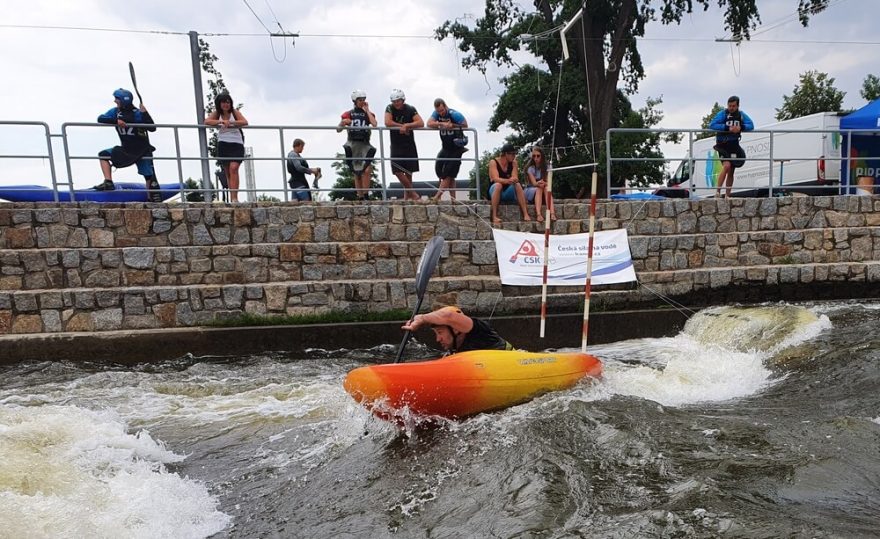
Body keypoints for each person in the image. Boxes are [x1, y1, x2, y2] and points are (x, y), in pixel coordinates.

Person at [94, 88, 161, 202]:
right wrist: (116, 121)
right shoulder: (115, 112)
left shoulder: (138, 114)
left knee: (148, 175)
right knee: (103, 155)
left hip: (141, 149)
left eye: (117, 99)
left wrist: (145, 114)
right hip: (126, 149)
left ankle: (151, 198)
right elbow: (100, 118)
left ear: (124, 100)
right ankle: (108, 182)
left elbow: (152, 128)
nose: (115, 101)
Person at [401, 306, 514, 354]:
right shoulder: (454, 348)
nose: (437, 339)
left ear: (455, 329)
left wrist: (422, 318)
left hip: (514, 363)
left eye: (440, 332)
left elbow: (449, 316)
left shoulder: (480, 330)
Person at [205, 92, 249, 202]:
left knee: (234, 168)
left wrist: (231, 123)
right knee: (228, 171)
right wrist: (221, 121)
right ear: (219, 104)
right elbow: (207, 121)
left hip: (236, 143)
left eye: (228, 102)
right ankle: (231, 196)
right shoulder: (217, 113)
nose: (226, 104)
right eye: (223, 102)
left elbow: (244, 122)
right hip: (223, 143)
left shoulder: (234, 112)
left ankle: (235, 198)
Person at [709, 95, 755, 198]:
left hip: (734, 145)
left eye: (733, 106)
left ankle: (727, 195)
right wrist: (727, 128)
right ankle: (717, 192)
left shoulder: (741, 115)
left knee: (731, 171)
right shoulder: (722, 114)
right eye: (730, 106)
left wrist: (741, 127)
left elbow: (751, 125)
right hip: (722, 145)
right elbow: (712, 125)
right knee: (726, 166)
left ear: (738, 106)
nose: (731, 108)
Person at [384, 89, 424, 201]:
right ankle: (413, 194)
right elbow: (387, 122)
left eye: (398, 101)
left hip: (408, 142)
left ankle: (407, 197)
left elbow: (420, 122)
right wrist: (401, 126)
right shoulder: (389, 108)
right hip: (396, 143)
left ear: (403, 100)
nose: (396, 103)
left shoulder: (410, 109)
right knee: (397, 170)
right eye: (394, 101)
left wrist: (407, 125)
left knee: (409, 171)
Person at [337, 90, 377, 200]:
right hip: (353, 143)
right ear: (355, 101)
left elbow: (374, 124)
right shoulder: (348, 113)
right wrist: (343, 122)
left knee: (367, 169)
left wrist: (367, 110)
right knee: (357, 171)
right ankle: (359, 195)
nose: (362, 102)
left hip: (365, 144)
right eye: (360, 100)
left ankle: (366, 194)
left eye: (364, 100)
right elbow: (338, 129)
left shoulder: (368, 114)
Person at [426, 98, 468, 201]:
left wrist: (452, 126)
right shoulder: (437, 114)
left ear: (445, 106)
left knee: (448, 174)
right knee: (442, 171)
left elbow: (465, 125)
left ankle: (437, 197)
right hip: (445, 147)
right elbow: (429, 123)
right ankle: (453, 199)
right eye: (439, 111)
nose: (441, 113)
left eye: (442, 110)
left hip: (456, 148)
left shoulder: (454, 114)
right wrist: (441, 124)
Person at [488, 143, 530, 225]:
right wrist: (508, 180)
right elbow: (495, 179)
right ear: (505, 154)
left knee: (517, 184)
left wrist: (512, 180)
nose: (514, 156)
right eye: (512, 154)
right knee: (498, 185)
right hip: (495, 191)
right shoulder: (494, 162)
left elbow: (515, 177)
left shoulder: (514, 163)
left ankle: (525, 213)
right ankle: (494, 216)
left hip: (507, 191)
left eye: (515, 154)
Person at [525, 146, 557, 223]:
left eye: (538, 156)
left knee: (546, 188)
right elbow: (534, 183)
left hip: (543, 188)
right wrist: (540, 183)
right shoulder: (530, 168)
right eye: (534, 156)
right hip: (532, 190)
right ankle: (538, 214)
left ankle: (552, 213)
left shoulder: (548, 167)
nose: (536, 158)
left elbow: (549, 182)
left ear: (542, 156)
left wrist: (544, 183)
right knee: (540, 188)